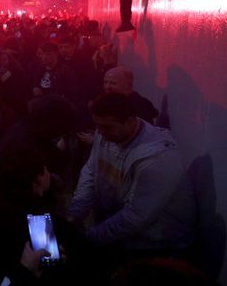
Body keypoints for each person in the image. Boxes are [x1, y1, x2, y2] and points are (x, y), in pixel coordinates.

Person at [68, 93, 197, 257]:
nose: (100, 132)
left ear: (130, 121)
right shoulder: (106, 134)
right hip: (126, 238)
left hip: (157, 246)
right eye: (97, 125)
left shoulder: (158, 157)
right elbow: (91, 172)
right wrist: (75, 215)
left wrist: (89, 237)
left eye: (107, 127)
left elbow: (137, 216)